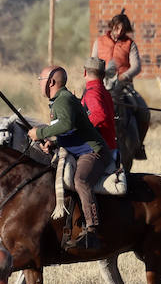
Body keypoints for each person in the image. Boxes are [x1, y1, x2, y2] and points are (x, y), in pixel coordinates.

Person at [32, 66, 107, 251]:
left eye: (40, 79)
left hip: (92, 152)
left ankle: (92, 231)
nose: (39, 83)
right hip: (77, 151)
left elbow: (66, 124)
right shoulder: (58, 100)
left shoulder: (63, 100)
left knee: (80, 180)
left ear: (51, 82)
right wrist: (53, 142)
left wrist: (40, 132)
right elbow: (69, 131)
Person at [91, 11, 149, 160]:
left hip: (123, 85)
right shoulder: (99, 41)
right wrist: (98, 76)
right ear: (112, 26)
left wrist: (124, 76)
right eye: (117, 28)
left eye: (123, 29)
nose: (119, 32)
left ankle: (138, 147)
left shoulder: (130, 44)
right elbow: (92, 62)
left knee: (143, 110)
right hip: (100, 84)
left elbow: (136, 66)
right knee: (84, 106)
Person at [81, 57, 118, 168]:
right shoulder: (103, 91)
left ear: (85, 72)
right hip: (110, 144)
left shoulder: (92, 93)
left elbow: (100, 116)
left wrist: (80, 128)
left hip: (99, 148)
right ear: (103, 75)